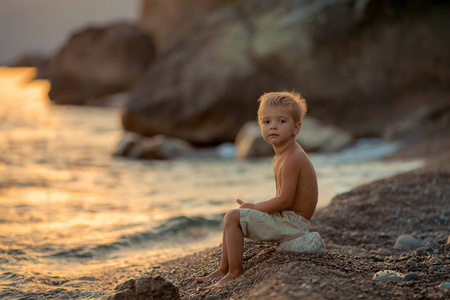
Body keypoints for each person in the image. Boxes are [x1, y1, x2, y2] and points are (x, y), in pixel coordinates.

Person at [196, 91, 318, 288]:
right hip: (287, 217)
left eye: (281, 121)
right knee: (232, 217)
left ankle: (235, 271)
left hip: (293, 224)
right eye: (266, 121)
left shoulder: (293, 157)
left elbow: (285, 200)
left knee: (233, 217)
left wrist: (254, 207)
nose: (273, 126)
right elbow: (283, 199)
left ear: (296, 128)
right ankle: (224, 268)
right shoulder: (280, 156)